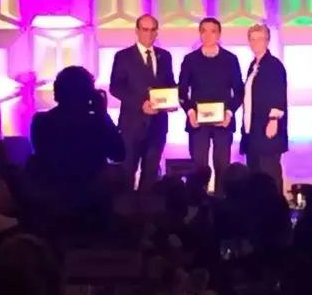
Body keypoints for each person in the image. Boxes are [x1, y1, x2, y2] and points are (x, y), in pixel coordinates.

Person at [29, 66, 125, 207]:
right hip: (92, 201)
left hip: (53, 200)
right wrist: (102, 114)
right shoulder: (95, 122)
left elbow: (41, 157)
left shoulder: (41, 121)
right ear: (88, 94)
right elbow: (118, 154)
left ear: (57, 91)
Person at [178, 17, 244, 196]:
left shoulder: (230, 59)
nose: (208, 35)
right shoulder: (190, 60)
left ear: (219, 34)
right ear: (199, 34)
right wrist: (190, 112)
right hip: (197, 122)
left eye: (212, 31)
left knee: (223, 165)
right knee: (199, 168)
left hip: (223, 121)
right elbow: (182, 90)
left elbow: (239, 91)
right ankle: (198, 204)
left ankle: (222, 204)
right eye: (204, 31)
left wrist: (229, 113)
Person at [110, 14, 176, 192]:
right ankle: (126, 209)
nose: (149, 34)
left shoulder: (165, 56)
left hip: (158, 125)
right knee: (127, 172)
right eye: (145, 29)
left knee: (151, 175)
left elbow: (170, 83)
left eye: (153, 30)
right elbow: (116, 87)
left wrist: (172, 100)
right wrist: (141, 103)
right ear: (137, 31)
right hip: (132, 125)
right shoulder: (123, 56)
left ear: (157, 32)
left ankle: (147, 208)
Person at [240, 24, 287, 192]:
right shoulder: (253, 66)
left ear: (267, 41)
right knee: (255, 173)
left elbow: (278, 93)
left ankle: (276, 205)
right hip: (252, 128)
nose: (255, 43)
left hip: (267, 127)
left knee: (269, 173)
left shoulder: (274, 65)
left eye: (259, 39)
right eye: (252, 39)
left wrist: (273, 119)